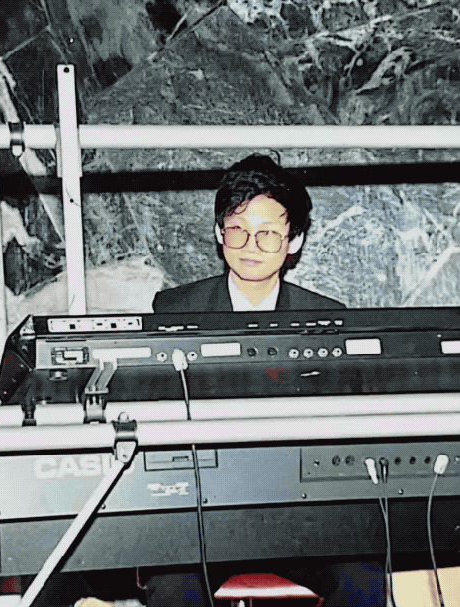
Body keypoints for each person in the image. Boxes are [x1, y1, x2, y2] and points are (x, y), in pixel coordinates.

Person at [146, 154, 385, 607]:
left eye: (269, 233)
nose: (251, 245)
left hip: (303, 511)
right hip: (205, 512)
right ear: (219, 233)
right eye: (237, 229)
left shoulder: (327, 317)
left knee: (363, 579)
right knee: (174, 585)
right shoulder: (174, 310)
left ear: (294, 240)